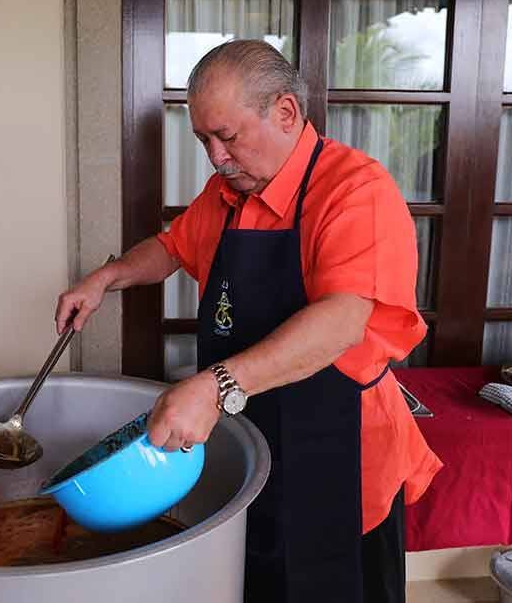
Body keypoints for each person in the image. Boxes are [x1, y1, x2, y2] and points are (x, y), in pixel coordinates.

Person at [55, 39, 442, 603]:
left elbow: (340, 322)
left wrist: (213, 387)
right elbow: (170, 248)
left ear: (285, 113)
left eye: (227, 137)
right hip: (254, 430)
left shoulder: (356, 191)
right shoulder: (229, 192)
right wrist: (104, 279)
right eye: (204, 140)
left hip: (342, 449)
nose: (215, 157)